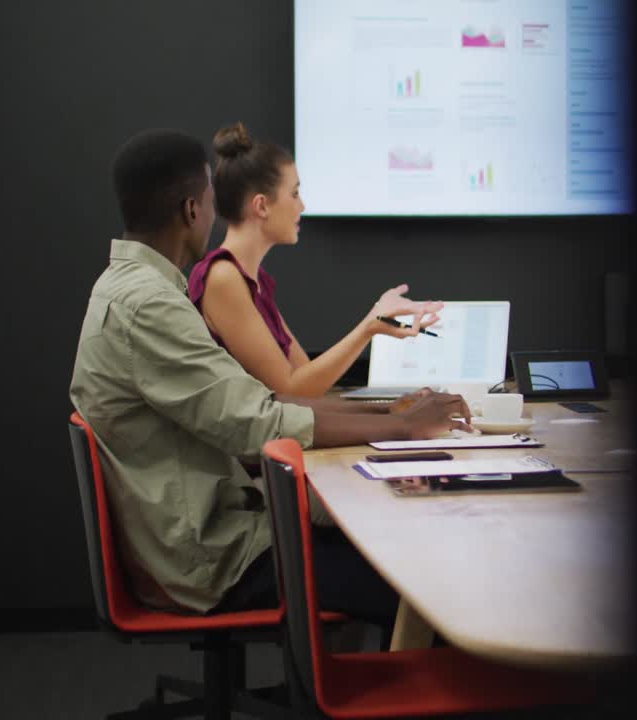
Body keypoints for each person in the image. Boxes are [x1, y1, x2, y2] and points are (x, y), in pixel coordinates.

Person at [70, 128, 469, 642]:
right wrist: (404, 427)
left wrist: (392, 418)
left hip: (216, 532)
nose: (214, 217)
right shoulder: (150, 304)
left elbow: (272, 399)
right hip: (216, 559)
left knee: (403, 549)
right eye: (211, 203)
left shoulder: (128, 288)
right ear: (193, 210)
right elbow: (256, 423)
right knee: (430, 586)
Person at [188, 121, 439, 397]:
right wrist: (369, 326)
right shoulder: (224, 278)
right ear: (261, 206)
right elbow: (291, 390)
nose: (302, 205)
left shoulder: (251, 280)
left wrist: (373, 326)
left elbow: (308, 382)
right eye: (294, 193)